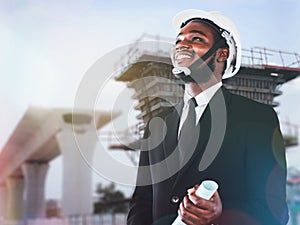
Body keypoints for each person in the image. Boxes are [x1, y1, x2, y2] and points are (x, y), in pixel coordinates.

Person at [127, 9, 289, 225]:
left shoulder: (257, 119)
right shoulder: (157, 124)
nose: (182, 45)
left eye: (196, 38)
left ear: (222, 54)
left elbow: (275, 211)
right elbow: (142, 202)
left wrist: (220, 216)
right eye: (179, 41)